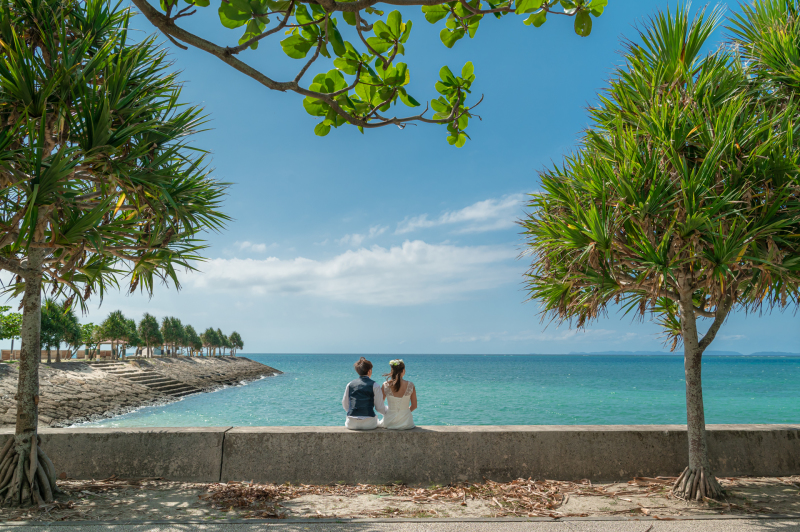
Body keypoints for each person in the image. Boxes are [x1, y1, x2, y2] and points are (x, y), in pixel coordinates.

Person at [342, 357, 386, 430]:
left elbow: (345, 404)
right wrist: (388, 413)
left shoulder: (350, 384)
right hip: (369, 424)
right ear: (369, 371)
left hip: (351, 423)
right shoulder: (375, 385)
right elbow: (379, 408)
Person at [378, 359, 417, 430]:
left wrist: (389, 412)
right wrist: (404, 412)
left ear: (392, 371)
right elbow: (414, 406)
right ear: (403, 370)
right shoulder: (411, 385)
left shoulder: (385, 385)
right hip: (407, 422)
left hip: (389, 421)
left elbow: (380, 404)